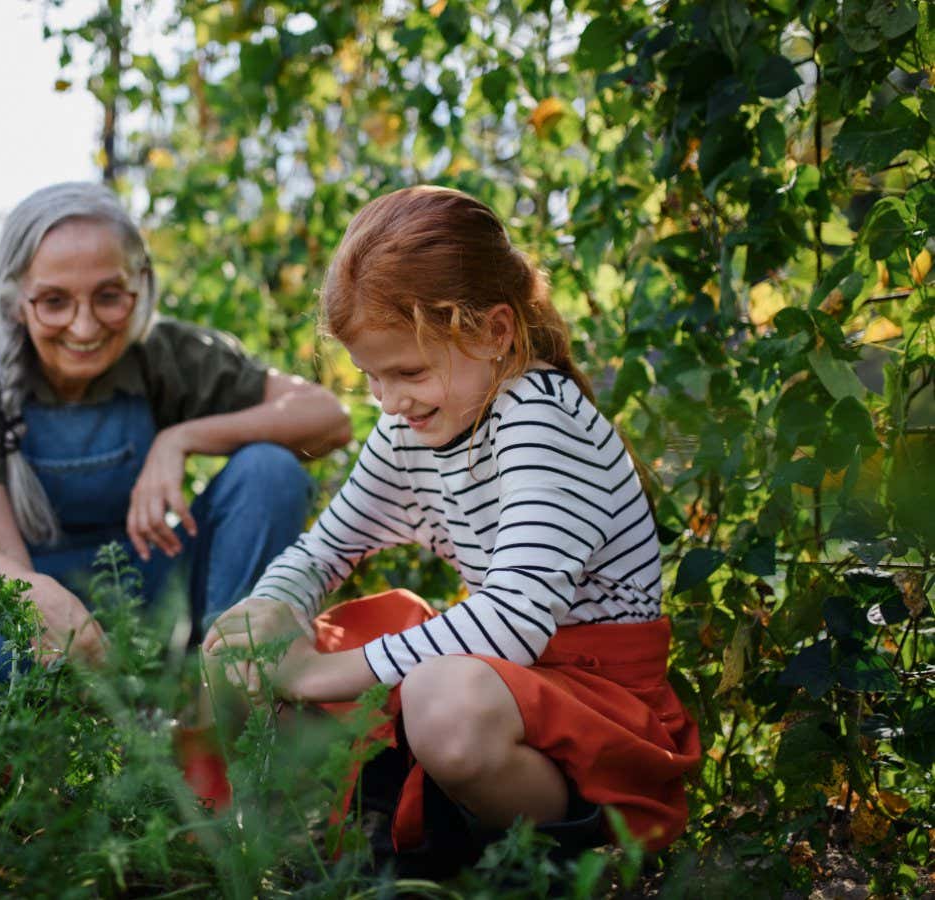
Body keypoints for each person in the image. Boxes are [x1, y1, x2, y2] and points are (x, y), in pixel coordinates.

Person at [204, 186, 700, 870]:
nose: (390, 400)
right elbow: (327, 549)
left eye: (407, 371)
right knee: (241, 635)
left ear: (495, 332)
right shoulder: (412, 425)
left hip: (593, 702)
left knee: (444, 701)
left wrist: (316, 674)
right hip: (506, 678)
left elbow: (514, 621)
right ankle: (277, 838)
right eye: (371, 378)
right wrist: (271, 612)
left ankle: (547, 856)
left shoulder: (539, 417)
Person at [0, 181, 351, 679]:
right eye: (54, 302)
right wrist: (48, 610)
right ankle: (96, 704)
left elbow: (327, 418)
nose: (84, 328)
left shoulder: (163, 353)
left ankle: (227, 678)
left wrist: (180, 440)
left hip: (149, 588)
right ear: (16, 299)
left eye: (109, 297)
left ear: (140, 285)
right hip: (23, 586)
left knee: (269, 470)